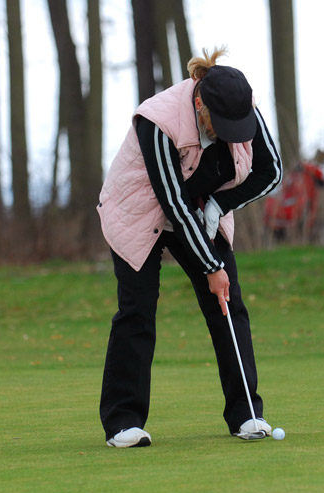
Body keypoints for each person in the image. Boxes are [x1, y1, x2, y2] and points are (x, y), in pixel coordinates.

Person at [96, 47, 283, 447]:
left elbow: (271, 170)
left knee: (229, 306)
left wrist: (221, 204)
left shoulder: (240, 108)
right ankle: (122, 422)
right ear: (199, 105)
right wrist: (211, 266)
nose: (232, 133)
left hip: (197, 206)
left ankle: (247, 414)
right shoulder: (157, 120)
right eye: (223, 126)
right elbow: (173, 207)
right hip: (139, 210)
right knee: (137, 310)